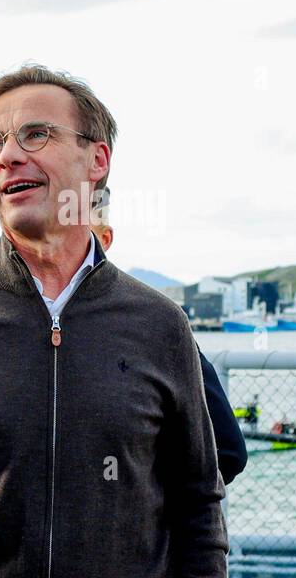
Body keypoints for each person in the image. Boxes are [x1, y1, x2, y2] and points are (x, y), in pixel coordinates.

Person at [0, 64, 227, 578]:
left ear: (97, 160)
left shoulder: (159, 324)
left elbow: (198, 496)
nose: (8, 156)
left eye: (35, 135)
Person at [90, 201, 247, 485]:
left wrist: (138, 499)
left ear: (104, 239)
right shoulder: (151, 321)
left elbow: (226, 453)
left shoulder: (156, 324)